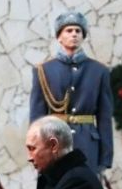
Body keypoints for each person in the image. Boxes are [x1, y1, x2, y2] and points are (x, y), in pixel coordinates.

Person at [30, 10, 113, 174]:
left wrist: (105, 156)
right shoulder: (44, 71)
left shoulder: (99, 71)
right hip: (54, 144)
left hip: (88, 145)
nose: (74, 34)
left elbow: (104, 117)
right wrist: (36, 152)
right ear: (59, 37)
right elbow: (37, 118)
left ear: (83, 36)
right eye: (68, 30)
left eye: (78, 31)